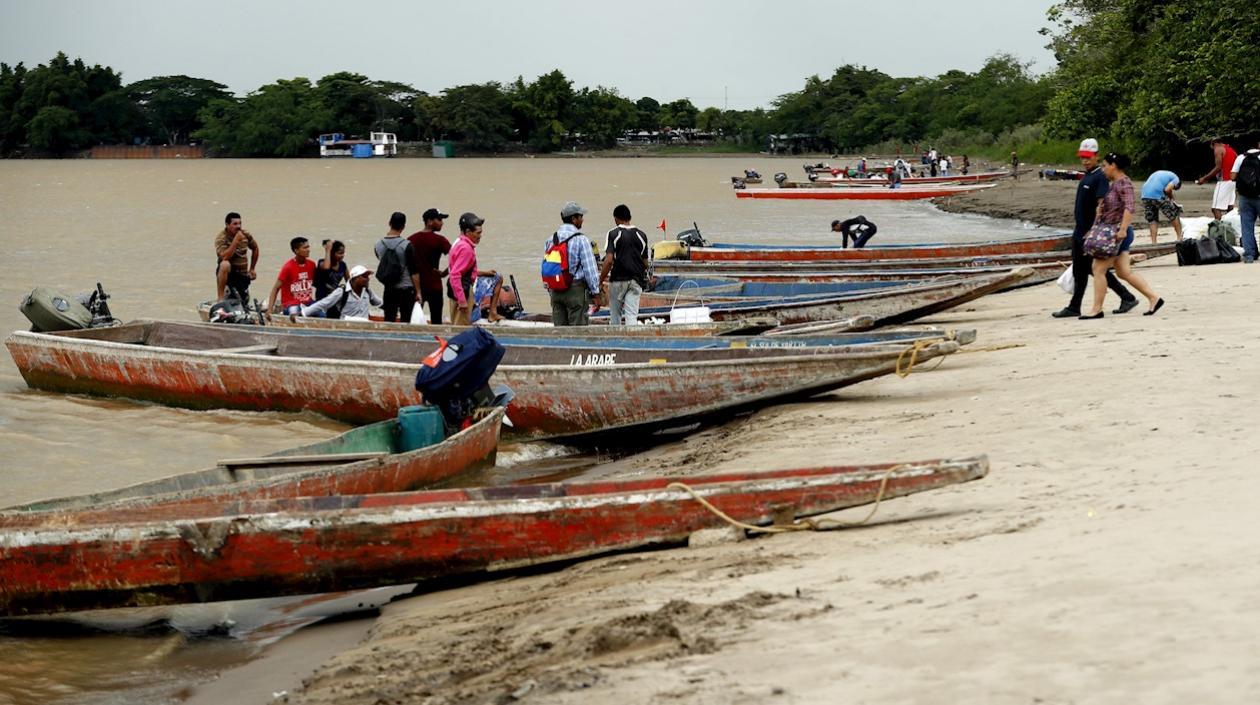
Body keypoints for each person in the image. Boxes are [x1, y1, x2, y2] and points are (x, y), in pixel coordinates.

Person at [1052, 138, 1138, 319]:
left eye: (1088, 157)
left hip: (1089, 233)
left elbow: (1102, 206)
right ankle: (1076, 306)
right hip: (1079, 231)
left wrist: (1093, 231)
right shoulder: (1087, 175)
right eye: (1082, 157)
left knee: (1095, 269)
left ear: (1096, 157)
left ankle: (1125, 296)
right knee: (1081, 270)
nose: (1084, 160)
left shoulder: (1100, 177)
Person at [1081, 153, 1163, 319]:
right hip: (1117, 232)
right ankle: (1154, 298)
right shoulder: (1115, 184)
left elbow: (1129, 207)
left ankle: (1096, 309)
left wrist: (1123, 230)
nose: (1103, 169)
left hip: (1116, 233)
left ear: (1114, 165)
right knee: (1124, 272)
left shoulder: (1124, 183)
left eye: (1105, 165)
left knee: (1098, 269)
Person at [545, 201, 601, 326]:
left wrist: (551, 289)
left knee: (559, 331)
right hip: (575, 291)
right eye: (581, 216)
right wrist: (596, 294)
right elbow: (590, 270)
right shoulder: (581, 239)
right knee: (578, 332)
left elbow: (548, 266)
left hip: (555, 291)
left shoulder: (551, 239)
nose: (582, 220)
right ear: (574, 218)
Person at [599, 204, 650, 326]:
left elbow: (609, 260)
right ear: (630, 217)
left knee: (615, 316)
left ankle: (615, 340)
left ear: (615, 219)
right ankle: (632, 341)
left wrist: (600, 280)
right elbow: (645, 263)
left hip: (617, 280)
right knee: (631, 316)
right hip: (636, 281)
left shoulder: (613, 234)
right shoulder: (642, 235)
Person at [374, 212, 422, 323]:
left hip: (389, 288)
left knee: (389, 319)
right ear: (403, 226)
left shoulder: (378, 244)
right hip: (406, 289)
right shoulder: (407, 245)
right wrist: (418, 292)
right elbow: (414, 271)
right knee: (406, 320)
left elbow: (382, 262)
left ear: (389, 223)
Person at [408, 208, 452, 324]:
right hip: (435, 286)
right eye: (439, 219)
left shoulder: (411, 239)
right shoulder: (440, 240)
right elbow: (457, 258)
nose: (442, 222)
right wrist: (444, 273)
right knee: (437, 320)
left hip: (415, 287)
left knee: (414, 321)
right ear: (429, 221)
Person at [301, 264, 382, 319]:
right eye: (364, 276)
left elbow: (380, 303)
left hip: (365, 327)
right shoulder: (342, 292)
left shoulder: (368, 291)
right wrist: (304, 313)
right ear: (355, 278)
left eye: (368, 276)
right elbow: (323, 304)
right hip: (347, 327)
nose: (368, 279)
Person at [265, 236, 317, 316]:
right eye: (305, 248)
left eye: (308, 247)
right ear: (296, 251)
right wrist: (270, 309)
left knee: (322, 315)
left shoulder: (312, 265)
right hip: (291, 304)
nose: (308, 250)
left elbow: (318, 283)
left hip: (308, 302)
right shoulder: (288, 267)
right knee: (294, 314)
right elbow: (276, 288)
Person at [448, 212, 484, 326]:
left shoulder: (459, 243)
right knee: (461, 328)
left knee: (456, 324)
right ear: (468, 232)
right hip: (462, 289)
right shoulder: (466, 249)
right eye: (478, 233)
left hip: (455, 289)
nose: (480, 236)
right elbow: (455, 274)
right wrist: (462, 301)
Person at [214, 212, 259, 300]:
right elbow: (225, 257)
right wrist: (236, 241)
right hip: (229, 274)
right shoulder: (221, 238)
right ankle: (220, 298)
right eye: (235, 224)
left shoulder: (245, 234)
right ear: (227, 225)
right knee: (224, 264)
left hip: (242, 275)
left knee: (242, 301)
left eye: (240, 223)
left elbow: (255, 248)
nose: (238, 226)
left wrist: (252, 268)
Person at [1230, 140, 1260, 263]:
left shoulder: (1241, 157)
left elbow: (1232, 176)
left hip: (1245, 197)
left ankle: (1249, 255)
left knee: (1246, 226)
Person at [1196, 138, 1239, 220]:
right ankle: (1231, 226)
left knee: (1215, 208)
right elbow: (1237, 160)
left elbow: (1218, 167)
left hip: (1224, 181)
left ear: (1213, 143)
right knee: (1230, 207)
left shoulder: (1218, 149)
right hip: (1233, 181)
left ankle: (1218, 229)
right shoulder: (1230, 149)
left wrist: (1204, 178)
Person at [1139, 170, 1184, 244]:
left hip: (1145, 194)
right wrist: (1172, 199)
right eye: (1174, 188)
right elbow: (1167, 189)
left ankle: (1154, 242)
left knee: (1152, 219)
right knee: (1174, 214)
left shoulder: (1163, 173)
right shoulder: (1176, 179)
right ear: (1177, 185)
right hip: (1157, 194)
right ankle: (1179, 238)